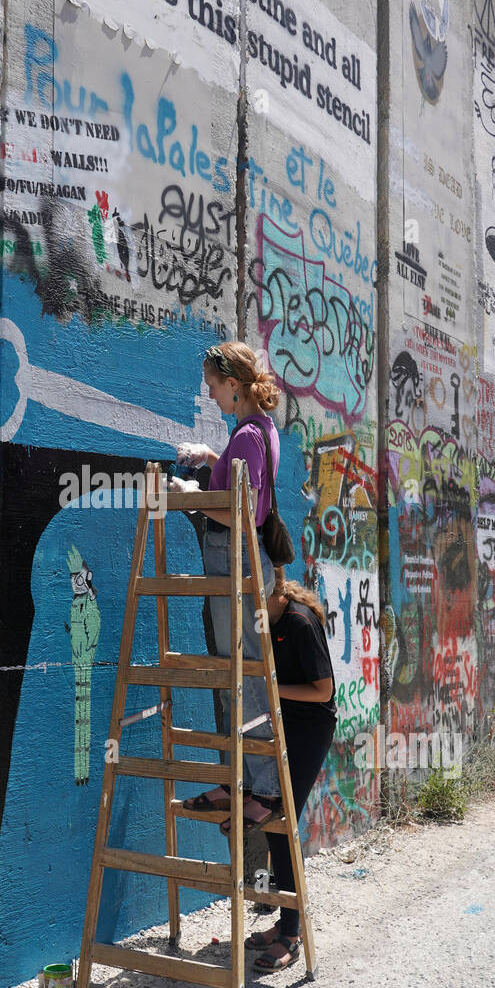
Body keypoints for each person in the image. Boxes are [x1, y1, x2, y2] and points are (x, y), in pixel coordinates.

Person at [169, 341, 283, 834]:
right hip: (240, 561)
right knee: (242, 669)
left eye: (214, 387)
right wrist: (213, 456)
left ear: (234, 386)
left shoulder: (249, 438)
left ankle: (265, 788)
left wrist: (194, 497)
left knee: (246, 674)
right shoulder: (255, 431)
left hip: (233, 559)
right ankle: (248, 780)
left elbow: (246, 512)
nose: (211, 396)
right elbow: (244, 486)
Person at [245, 566, 336, 973]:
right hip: (281, 721)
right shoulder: (271, 617)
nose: (250, 605)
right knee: (269, 818)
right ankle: (284, 921)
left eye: (255, 594)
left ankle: (291, 935)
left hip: (309, 728)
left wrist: (271, 686)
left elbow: (324, 690)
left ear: (276, 590)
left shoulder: (298, 622)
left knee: (283, 821)